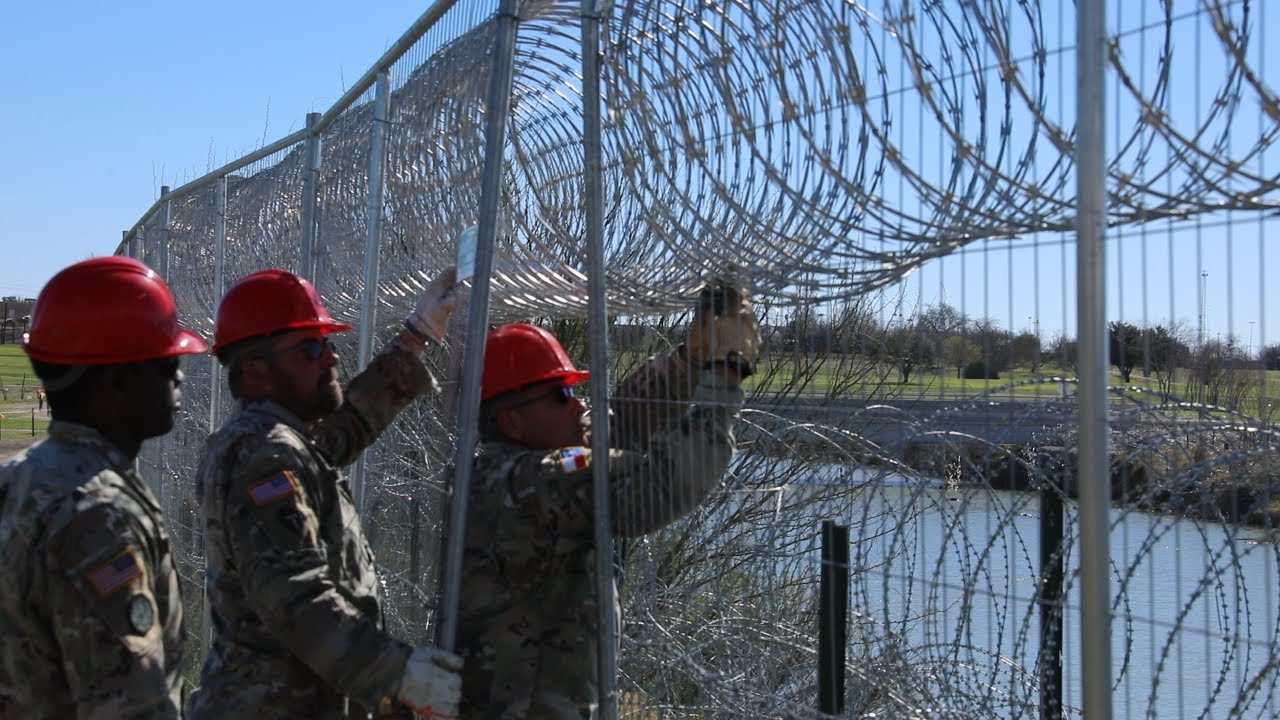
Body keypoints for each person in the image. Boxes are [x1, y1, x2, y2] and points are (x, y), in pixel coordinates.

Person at [457, 282, 762, 719]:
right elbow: (662, 487)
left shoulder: (498, 471)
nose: (577, 405)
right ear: (512, 422)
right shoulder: (534, 483)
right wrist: (726, 377)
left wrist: (688, 363)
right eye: (559, 396)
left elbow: (618, 421)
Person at [188, 267, 463, 719]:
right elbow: (296, 601)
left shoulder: (276, 440)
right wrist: (399, 675)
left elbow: (343, 429)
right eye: (310, 349)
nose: (331, 358)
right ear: (256, 370)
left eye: (326, 343)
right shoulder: (263, 454)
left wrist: (416, 337)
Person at [0, 256, 208, 717]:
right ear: (117, 380)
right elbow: (131, 705)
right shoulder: (99, 516)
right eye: (166, 362)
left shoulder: (19, 478)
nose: (179, 376)